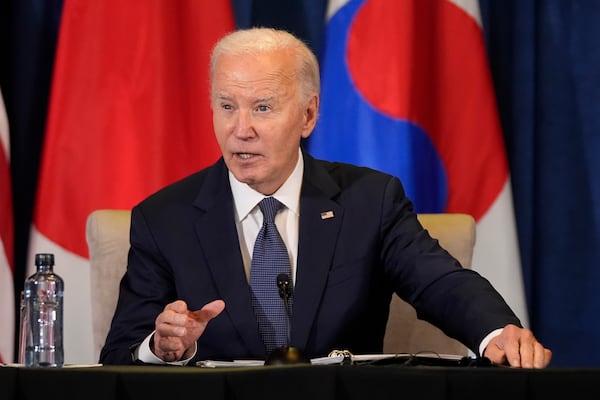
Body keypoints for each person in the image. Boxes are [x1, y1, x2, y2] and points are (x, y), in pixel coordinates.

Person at [99, 27, 552, 368]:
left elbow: (439, 282)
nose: (241, 129)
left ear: (308, 114)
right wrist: (162, 348)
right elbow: (119, 354)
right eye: (226, 106)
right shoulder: (165, 219)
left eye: (262, 107)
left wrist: (496, 332)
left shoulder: (370, 200)